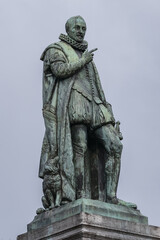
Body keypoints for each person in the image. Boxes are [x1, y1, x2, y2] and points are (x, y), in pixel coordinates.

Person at [39, 16, 136, 208]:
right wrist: (83, 61)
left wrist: (107, 108)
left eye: (84, 28)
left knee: (115, 146)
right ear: (68, 29)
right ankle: (79, 195)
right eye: (77, 27)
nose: (81, 31)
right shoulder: (55, 49)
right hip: (73, 103)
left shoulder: (85, 53)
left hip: (94, 104)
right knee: (79, 148)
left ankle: (111, 196)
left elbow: (95, 84)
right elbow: (59, 71)